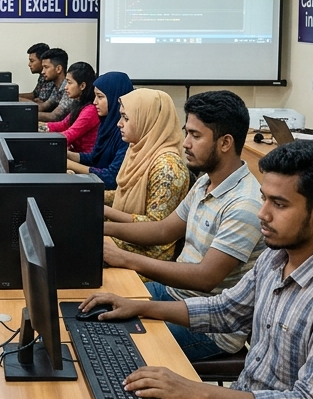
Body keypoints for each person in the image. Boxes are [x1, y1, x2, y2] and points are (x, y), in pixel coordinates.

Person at [79, 141, 313, 399]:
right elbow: (225, 309)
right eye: (264, 198)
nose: (262, 214)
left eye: (279, 204)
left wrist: (198, 392)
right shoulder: (275, 258)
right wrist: (141, 307)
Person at [102, 90, 264, 361]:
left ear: (225, 142)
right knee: (91, 306)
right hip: (175, 295)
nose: (185, 143)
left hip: (211, 327)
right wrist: (101, 228)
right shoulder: (205, 182)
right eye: (186, 133)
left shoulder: (244, 203)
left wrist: (124, 258)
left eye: (195, 136)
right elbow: (163, 230)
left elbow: (204, 278)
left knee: (111, 344)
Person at [104, 88, 190, 263]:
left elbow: (154, 224)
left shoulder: (168, 167)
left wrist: (103, 212)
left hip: (147, 255)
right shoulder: (138, 150)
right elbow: (123, 193)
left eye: (126, 118)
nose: (119, 124)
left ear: (148, 121)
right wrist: (91, 196)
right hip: (125, 239)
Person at [67, 71, 135, 190]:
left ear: (115, 98)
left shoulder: (127, 132)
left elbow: (111, 178)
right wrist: (65, 154)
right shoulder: (106, 124)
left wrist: (69, 164)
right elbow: (94, 157)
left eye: (100, 97)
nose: (94, 102)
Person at [45, 61, 99, 154]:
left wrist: (40, 139)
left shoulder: (90, 110)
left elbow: (70, 134)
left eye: (69, 83)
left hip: (84, 159)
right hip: (76, 155)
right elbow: (63, 124)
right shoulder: (79, 104)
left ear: (82, 86)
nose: (66, 87)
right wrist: (39, 128)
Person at [37, 48, 72, 122]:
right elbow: (43, 106)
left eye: (46, 67)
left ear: (58, 69)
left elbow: (55, 116)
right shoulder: (56, 86)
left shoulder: (68, 87)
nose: (43, 72)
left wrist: (25, 114)